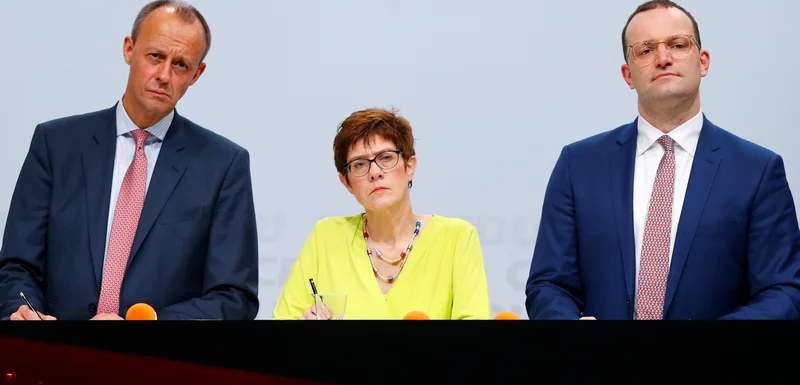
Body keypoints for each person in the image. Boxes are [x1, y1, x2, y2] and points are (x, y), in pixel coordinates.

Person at [526, 0, 800, 320]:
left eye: (678, 44)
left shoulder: (757, 170)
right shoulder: (579, 165)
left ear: (703, 61)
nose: (663, 58)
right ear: (628, 75)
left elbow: (785, 291)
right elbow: (548, 284)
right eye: (645, 50)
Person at [0, 0, 259, 320]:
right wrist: (23, 310)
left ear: (197, 74)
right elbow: (17, 266)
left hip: (155, 363)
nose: (164, 75)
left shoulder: (223, 165)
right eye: (155, 56)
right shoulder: (56, 144)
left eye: (181, 65)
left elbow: (234, 298)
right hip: (56, 354)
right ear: (128, 49)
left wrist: (144, 328)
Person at [272, 108, 491, 319]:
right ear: (346, 182)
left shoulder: (456, 238)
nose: (375, 172)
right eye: (359, 164)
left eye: (386, 158)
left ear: (409, 166)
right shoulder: (326, 235)